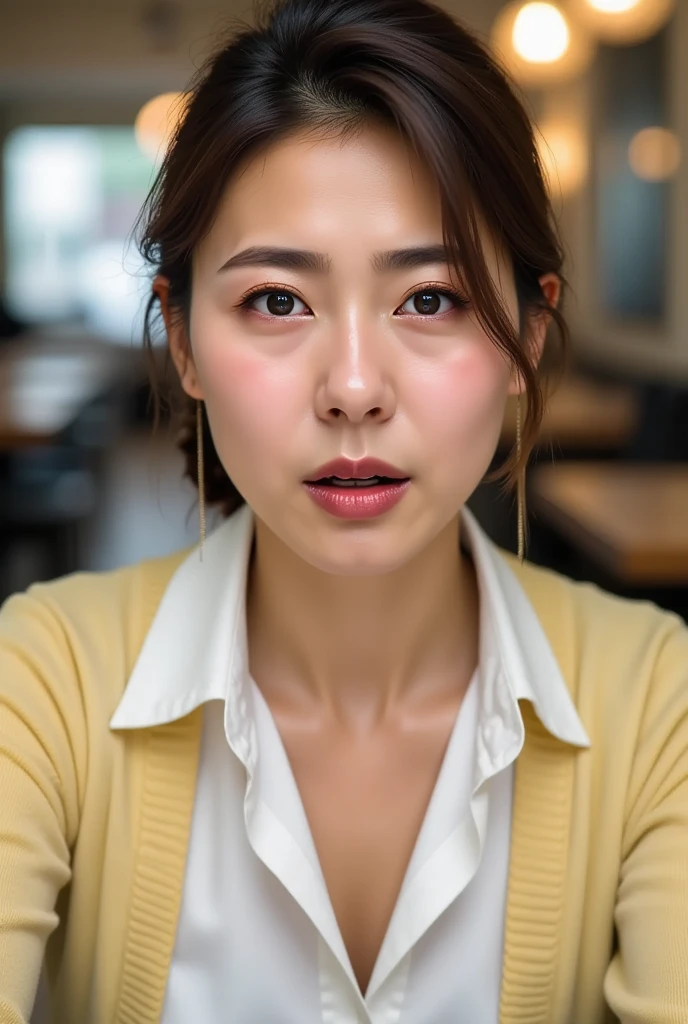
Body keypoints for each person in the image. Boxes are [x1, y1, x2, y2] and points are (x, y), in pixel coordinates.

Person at [1, 0, 687, 1021]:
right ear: (183, 342)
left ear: (525, 336)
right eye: (278, 300)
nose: (354, 387)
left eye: (430, 299)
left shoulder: (654, 702)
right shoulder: (41, 681)